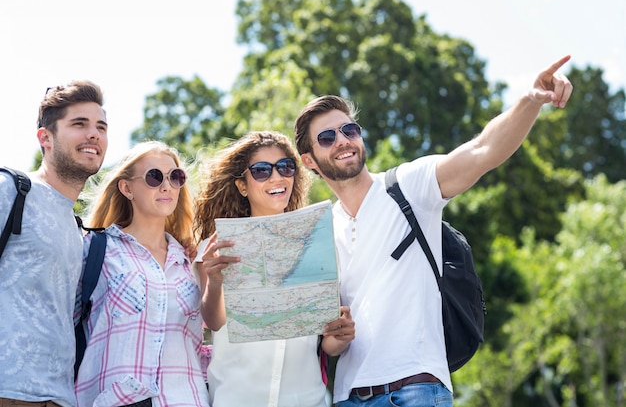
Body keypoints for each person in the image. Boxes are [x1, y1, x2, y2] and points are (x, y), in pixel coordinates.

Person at [293, 56, 574, 406]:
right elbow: (324, 336)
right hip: (349, 396)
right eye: (327, 136)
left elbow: (483, 150)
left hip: (417, 391)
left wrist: (530, 100)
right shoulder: (320, 231)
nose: (343, 140)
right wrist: (334, 334)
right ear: (308, 160)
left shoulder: (408, 186)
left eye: (350, 130)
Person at [193, 131, 355, 407]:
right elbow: (214, 322)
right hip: (236, 398)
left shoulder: (318, 241)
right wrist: (216, 282)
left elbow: (325, 342)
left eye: (285, 167)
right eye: (261, 171)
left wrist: (341, 337)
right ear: (242, 186)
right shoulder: (216, 246)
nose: (277, 177)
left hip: (306, 399)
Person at [74, 141, 210, 407]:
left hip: (188, 399)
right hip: (115, 400)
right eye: (154, 176)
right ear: (127, 188)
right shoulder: (94, 250)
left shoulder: (191, 262)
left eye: (175, 177)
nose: (167, 185)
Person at [0, 81, 108, 407]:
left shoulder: (78, 230)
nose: (94, 134)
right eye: (79, 124)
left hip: (61, 398)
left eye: (101, 127)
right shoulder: (11, 190)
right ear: (45, 138)